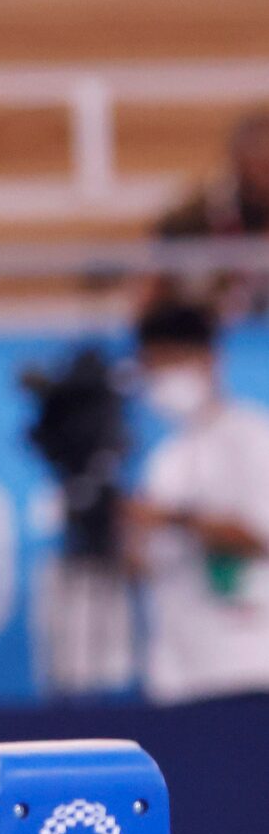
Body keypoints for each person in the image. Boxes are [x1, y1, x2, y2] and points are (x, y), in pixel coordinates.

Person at [122, 297, 269, 704]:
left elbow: (258, 535)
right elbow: (143, 566)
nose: (160, 376)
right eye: (152, 365)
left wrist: (171, 518)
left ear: (208, 359)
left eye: (170, 361)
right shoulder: (164, 460)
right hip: (178, 675)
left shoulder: (254, 438)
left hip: (249, 666)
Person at [155, 107, 269, 317]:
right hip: (217, 330)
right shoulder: (193, 218)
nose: (263, 170)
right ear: (237, 159)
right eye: (259, 158)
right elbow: (159, 290)